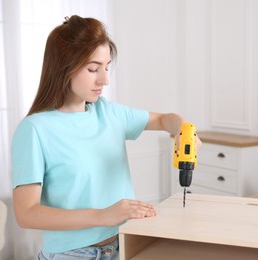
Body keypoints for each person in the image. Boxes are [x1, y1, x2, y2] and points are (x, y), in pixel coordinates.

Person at [11, 15, 201, 260]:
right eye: (93, 69)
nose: (104, 79)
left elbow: (165, 119)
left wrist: (182, 129)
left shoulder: (108, 112)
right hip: (71, 255)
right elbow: (26, 214)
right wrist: (103, 215)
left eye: (106, 67)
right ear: (63, 67)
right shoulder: (35, 129)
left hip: (125, 245)